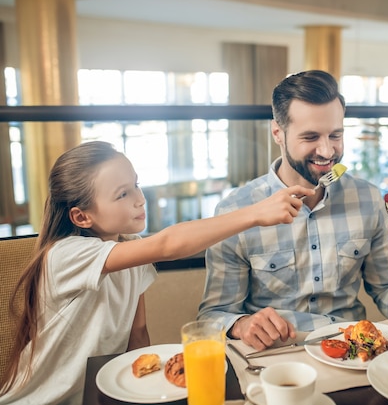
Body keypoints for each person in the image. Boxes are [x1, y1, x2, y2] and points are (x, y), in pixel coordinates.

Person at [0, 141, 312, 405]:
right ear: (81, 216)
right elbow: (167, 244)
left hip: (94, 396)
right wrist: (256, 213)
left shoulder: (129, 251)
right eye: (122, 194)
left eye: (135, 184)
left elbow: (138, 334)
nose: (139, 198)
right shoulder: (65, 255)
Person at [197, 69, 388, 351]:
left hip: (351, 350)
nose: (327, 152)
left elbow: (387, 286)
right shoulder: (236, 210)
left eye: (335, 135)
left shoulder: (368, 199)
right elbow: (211, 317)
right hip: (274, 355)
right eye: (310, 137)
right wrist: (241, 325)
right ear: (278, 133)